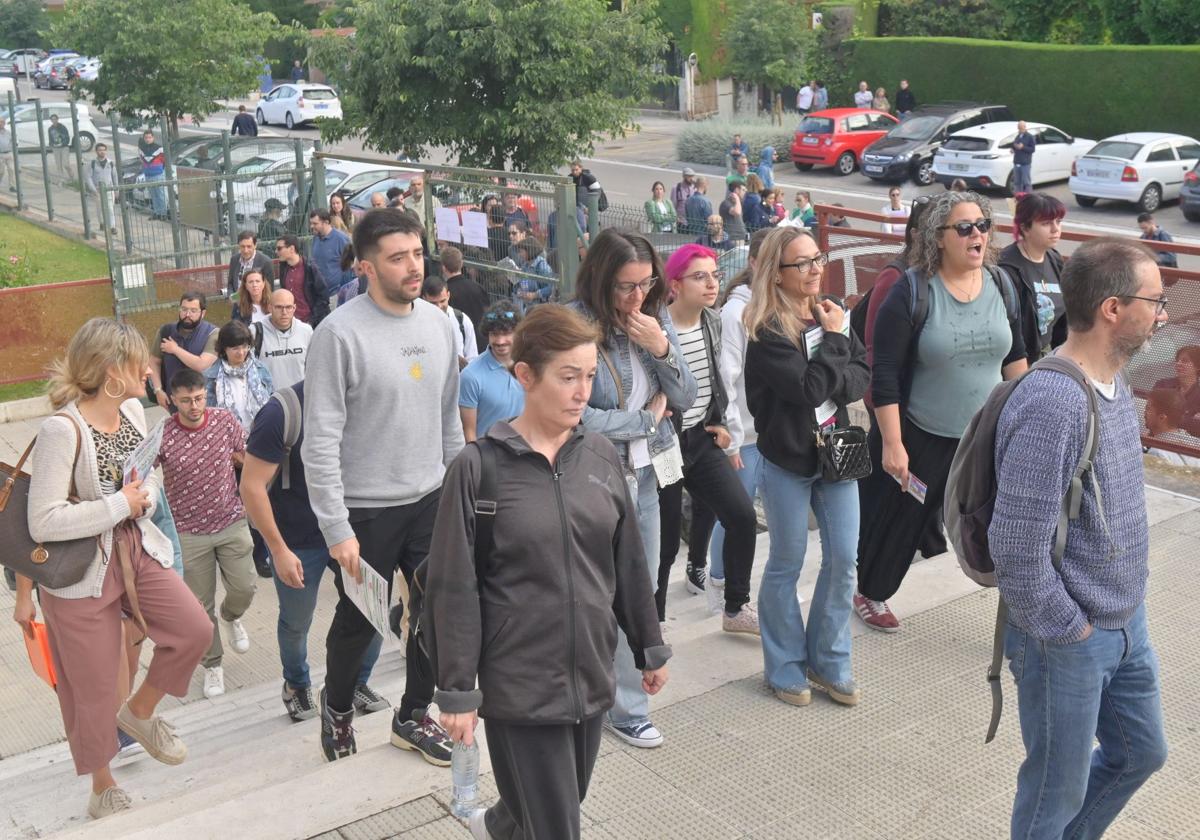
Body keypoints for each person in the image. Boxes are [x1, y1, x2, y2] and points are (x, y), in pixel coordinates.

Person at [429, 304, 669, 840]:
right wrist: (457, 692)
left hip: (590, 674)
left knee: (548, 803)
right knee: (559, 826)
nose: (583, 392)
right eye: (568, 377)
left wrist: (648, 645)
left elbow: (628, 562)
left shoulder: (602, 457)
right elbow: (452, 589)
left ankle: (499, 825)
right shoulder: (478, 469)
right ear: (525, 375)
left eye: (588, 376)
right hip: (519, 685)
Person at [992, 237, 1169, 837]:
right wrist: (1070, 629)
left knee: (1140, 753)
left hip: (1126, 622)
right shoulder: (1054, 401)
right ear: (1113, 309)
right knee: (1053, 791)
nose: (1162, 314)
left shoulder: (1115, 386)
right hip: (1067, 638)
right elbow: (1016, 548)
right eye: (1155, 301)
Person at [14, 318, 210, 820]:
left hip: (135, 549)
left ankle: (140, 713)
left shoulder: (132, 411)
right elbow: (43, 520)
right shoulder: (62, 428)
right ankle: (102, 785)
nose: (148, 369)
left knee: (194, 630)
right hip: (80, 573)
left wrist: (144, 498)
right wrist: (121, 504)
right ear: (109, 370)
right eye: (136, 362)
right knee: (95, 687)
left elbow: (144, 477)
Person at [302, 208, 462, 764]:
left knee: (442, 615)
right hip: (365, 511)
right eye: (398, 258)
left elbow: (447, 420)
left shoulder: (440, 324)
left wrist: (458, 492)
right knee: (359, 624)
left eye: (417, 253)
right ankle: (339, 705)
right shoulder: (337, 336)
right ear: (366, 267)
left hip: (431, 500)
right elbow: (318, 441)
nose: (414, 267)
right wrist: (336, 527)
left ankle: (414, 714)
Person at [856, 191, 1027, 632]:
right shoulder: (910, 291)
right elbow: (886, 375)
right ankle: (871, 591)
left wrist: (1028, 419)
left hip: (989, 433)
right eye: (964, 227)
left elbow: (1017, 359)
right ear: (938, 237)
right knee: (904, 519)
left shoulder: (1003, 285)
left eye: (983, 226)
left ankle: (1021, 600)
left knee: (1004, 520)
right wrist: (893, 444)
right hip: (924, 435)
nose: (977, 235)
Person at [568, 228, 697, 749]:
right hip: (594, 477)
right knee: (589, 591)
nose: (637, 297)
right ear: (600, 279)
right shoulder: (576, 323)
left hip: (647, 474)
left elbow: (685, 394)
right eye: (625, 286)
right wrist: (645, 420)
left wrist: (662, 347)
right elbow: (577, 417)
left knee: (636, 589)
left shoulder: (653, 320)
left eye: (646, 284)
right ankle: (586, 690)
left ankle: (627, 705)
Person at [743, 226, 869, 707]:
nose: (817, 269)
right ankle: (785, 666)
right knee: (787, 562)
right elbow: (808, 391)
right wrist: (836, 346)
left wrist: (835, 354)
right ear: (778, 273)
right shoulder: (768, 332)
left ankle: (830, 660)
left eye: (817, 258)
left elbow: (858, 377)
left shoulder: (829, 310)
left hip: (838, 447)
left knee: (844, 561)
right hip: (789, 458)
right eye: (804, 263)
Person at [240, 380, 391, 722]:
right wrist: (277, 550)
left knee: (371, 609)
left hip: (353, 529)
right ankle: (296, 684)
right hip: (297, 537)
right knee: (297, 620)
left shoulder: (365, 399)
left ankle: (355, 682)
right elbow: (251, 486)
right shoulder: (282, 412)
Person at [655, 245, 759, 634]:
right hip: (665, 446)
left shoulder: (712, 321)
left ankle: (735, 608)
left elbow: (721, 379)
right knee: (665, 540)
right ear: (675, 284)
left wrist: (723, 427)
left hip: (702, 439)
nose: (712, 283)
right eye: (700, 276)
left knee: (742, 516)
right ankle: (655, 619)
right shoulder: (657, 326)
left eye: (714, 275)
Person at [156, 368, 258, 699]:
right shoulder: (164, 434)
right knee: (200, 607)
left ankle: (232, 616)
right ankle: (213, 664)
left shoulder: (224, 420)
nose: (194, 406)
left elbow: (248, 455)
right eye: (185, 401)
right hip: (188, 532)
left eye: (199, 398)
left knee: (245, 586)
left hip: (230, 521)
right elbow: (140, 471)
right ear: (173, 400)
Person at [706, 230, 770, 612]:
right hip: (743, 433)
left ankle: (732, 582)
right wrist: (731, 436)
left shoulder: (768, 306)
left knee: (748, 511)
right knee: (737, 512)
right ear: (755, 264)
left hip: (764, 430)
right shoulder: (735, 313)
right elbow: (726, 379)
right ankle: (719, 580)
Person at [999, 192, 1068, 365]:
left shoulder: (1054, 258)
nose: (1055, 229)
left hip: (1047, 355)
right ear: (1025, 228)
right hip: (1017, 362)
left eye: (1058, 221)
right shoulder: (1007, 268)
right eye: (1046, 223)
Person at [459, 303, 524, 441]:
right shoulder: (470, 376)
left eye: (506, 333)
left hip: (529, 455)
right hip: (490, 458)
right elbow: (469, 432)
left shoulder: (533, 366)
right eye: (494, 334)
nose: (500, 341)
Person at [149, 293, 219, 412]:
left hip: (204, 402)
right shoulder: (165, 331)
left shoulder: (213, 333)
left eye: (193, 310)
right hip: (175, 401)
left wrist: (175, 349)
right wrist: (158, 390)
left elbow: (201, 365)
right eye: (184, 309)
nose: (187, 314)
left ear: (203, 313)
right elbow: (153, 361)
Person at [203, 320, 274, 437]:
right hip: (227, 440)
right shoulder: (211, 377)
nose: (241, 352)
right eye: (235, 348)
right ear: (224, 348)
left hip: (261, 436)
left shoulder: (261, 369)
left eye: (245, 346)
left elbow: (271, 401)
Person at [254, 289, 313, 390]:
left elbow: (315, 368)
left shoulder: (306, 331)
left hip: (300, 399)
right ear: (270, 307)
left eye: (288, 307)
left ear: (294, 308)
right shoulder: (255, 332)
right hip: (269, 400)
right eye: (279, 307)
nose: (284, 312)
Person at [422, 274, 479, 369]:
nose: (439, 307)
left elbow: (472, 359)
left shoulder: (462, 320)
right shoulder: (417, 324)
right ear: (424, 299)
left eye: (442, 301)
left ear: (448, 295)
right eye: (433, 303)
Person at [275, 234, 331, 326]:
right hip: (292, 322)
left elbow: (323, 296)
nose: (276, 251)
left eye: (279, 248)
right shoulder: (283, 267)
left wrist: (312, 320)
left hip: (311, 322)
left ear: (292, 249)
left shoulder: (310, 268)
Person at [1143, 387, 1200, 467]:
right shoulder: (1196, 443)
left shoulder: (1157, 453)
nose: (1144, 412)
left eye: (1148, 409)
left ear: (1162, 417)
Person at [1152, 345, 1200, 435]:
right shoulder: (1163, 385)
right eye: (1178, 360)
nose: (1178, 363)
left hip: (1185, 444)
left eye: (1185, 361)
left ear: (1197, 366)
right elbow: (1153, 415)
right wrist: (1190, 419)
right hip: (1157, 438)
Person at [440, 246, 488, 329]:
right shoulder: (478, 287)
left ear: (443, 268)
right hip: (481, 337)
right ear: (461, 264)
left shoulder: (445, 294)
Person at [309, 210, 352, 294]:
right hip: (319, 293)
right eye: (311, 223)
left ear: (326, 222)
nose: (311, 226)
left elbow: (350, 266)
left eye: (315, 223)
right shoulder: (316, 238)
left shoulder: (341, 239)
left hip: (337, 293)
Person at [227, 230, 275, 298]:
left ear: (255, 245)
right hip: (237, 305)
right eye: (242, 246)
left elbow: (269, 289)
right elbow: (231, 283)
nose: (245, 250)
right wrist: (231, 297)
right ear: (238, 245)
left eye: (249, 246)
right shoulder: (234, 259)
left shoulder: (266, 262)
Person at [86, 143, 119, 235]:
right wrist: (93, 189)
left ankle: (112, 227)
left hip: (109, 189)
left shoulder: (110, 163)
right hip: (97, 190)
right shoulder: (92, 163)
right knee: (100, 208)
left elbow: (114, 176)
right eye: (100, 150)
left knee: (110, 208)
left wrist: (116, 189)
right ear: (96, 151)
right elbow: (88, 177)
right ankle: (102, 223)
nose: (102, 152)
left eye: (104, 150)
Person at [138, 129, 167, 221]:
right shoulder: (141, 149)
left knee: (160, 195)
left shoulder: (159, 148)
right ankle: (157, 212)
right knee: (153, 195)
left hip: (158, 174)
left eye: (149, 137)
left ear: (153, 138)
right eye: (146, 137)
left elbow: (164, 160)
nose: (148, 139)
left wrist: (160, 169)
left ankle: (163, 214)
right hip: (148, 175)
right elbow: (141, 160)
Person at [1009, 120, 1037, 196]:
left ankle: (1029, 198)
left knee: (1026, 182)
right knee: (1017, 182)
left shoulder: (1030, 137)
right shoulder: (1018, 136)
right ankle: (1018, 197)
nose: (1019, 129)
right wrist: (1013, 149)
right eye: (1018, 128)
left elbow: (1032, 149)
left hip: (1025, 163)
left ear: (1025, 127)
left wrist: (1023, 147)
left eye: (1021, 128)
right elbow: (1015, 145)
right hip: (1017, 162)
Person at [47, 113, 72, 177]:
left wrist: (62, 143)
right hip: (56, 148)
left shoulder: (62, 127)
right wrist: (52, 145)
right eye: (52, 119)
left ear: (57, 119)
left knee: (66, 164)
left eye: (55, 119)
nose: (54, 121)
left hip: (64, 147)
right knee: (58, 165)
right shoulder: (50, 129)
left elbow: (67, 138)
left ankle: (71, 174)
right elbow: (50, 140)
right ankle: (62, 179)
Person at [0, 117, 13, 193]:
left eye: (2, 122)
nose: (1, 124)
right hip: (0, 154)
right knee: (1, 171)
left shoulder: (8, 132)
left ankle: (12, 186)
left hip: (8, 153)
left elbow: (13, 141)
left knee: (11, 169)